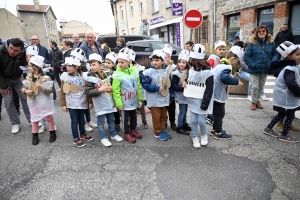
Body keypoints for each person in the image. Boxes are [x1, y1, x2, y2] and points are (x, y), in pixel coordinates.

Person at [263, 41, 300, 143]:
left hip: (284, 98)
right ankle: (284, 135)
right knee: (290, 115)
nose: (299, 56)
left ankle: (268, 128)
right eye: (297, 54)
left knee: (281, 114)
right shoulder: (290, 69)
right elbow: (291, 84)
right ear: (288, 55)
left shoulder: (289, 67)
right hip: (286, 99)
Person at [85, 53, 123, 147]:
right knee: (101, 122)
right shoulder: (89, 77)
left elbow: (113, 84)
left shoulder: (107, 73)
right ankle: (103, 137)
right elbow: (87, 92)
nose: (91, 67)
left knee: (111, 119)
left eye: (94, 64)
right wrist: (99, 90)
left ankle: (113, 134)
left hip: (109, 101)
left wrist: (111, 88)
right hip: (100, 104)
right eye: (90, 65)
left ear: (100, 65)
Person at [183, 44, 214, 148]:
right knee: (193, 120)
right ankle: (195, 137)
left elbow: (209, 90)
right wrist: (184, 83)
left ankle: (204, 135)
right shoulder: (191, 69)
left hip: (202, 101)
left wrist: (204, 104)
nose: (192, 62)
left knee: (201, 121)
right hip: (192, 100)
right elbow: (189, 82)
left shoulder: (208, 72)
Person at [21, 55, 56, 145]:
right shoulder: (28, 77)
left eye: (30, 66)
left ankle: (52, 133)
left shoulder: (45, 78)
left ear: (37, 67)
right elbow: (23, 88)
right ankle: (34, 135)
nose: (28, 68)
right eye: (28, 66)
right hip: (33, 102)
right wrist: (26, 91)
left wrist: (41, 87)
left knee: (48, 116)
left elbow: (51, 90)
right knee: (34, 118)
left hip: (44, 102)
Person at [60, 56, 94, 148]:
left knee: (82, 120)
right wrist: (63, 104)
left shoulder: (83, 76)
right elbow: (62, 92)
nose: (67, 67)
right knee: (74, 121)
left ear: (76, 67)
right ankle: (76, 138)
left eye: (70, 66)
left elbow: (87, 90)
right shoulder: (65, 77)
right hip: (71, 104)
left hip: (82, 102)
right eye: (67, 65)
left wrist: (89, 102)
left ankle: (82, 134)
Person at [210, 48, 243, 140]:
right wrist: (236, 81)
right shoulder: (227, 67)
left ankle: (214, 130)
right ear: (232, 58)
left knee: (216, 114)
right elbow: (224, 78)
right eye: (236, 60)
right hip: (219, 94)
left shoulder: (220, 64)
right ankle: (219, 132)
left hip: (214, 93)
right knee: (220, 114)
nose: (236, 62)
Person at [0, 38, 31, 134]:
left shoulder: (23, 54)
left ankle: (32, 119)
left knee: (25, 97)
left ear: (21, 50)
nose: (12, 52)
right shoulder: (1, 51)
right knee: (8, 101)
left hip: (17, 78)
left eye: (16, 50)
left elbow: (27, 66)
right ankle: (15, 123)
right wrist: (4, 86)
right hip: (3, 79)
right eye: (11, 48)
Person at [112, 47, 143, 144]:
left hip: (133, 100)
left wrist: (140, 98)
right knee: (125, 119)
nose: (119, 64)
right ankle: (126, 132)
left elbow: (138, 85)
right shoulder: (117, 75)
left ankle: (133, 129)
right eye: (118, 62)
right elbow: (115, 90)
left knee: (133, 117)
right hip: (124, 102)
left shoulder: (135, 71)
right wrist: (119, 104)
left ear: (129, 61)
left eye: (122, 62)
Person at [244, 25, 278, 110]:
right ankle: (253, 102)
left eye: (263, 31)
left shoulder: (271, 43)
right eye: (259, 31)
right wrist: (253, 64)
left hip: (265, 69)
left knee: (261, 86)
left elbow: (276, 54)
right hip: (254, 69)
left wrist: (272, 62)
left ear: (266, 32)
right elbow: (246, 56)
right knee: (255, 86)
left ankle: (257, 101)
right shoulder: (252, 43)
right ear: (257, 33)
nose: (261, 32)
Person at [142, 50, 172, 141]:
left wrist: (170, 95)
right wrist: (156, 88)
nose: (154, 62)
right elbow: (145, 85)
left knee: (164, 116)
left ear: (163, 61)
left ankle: (162, 130)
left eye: (157, 60)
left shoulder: (166, 71)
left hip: (164, 98)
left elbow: (168, 84)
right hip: (154, 99)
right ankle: (157, 132)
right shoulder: (148, 72)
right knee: (156, 117)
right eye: (153, 60)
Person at [69, 47, 98, 132]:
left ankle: (89, 121)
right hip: (76, 94)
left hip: (84, 91)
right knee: (81, 109)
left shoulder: (84, 69)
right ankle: (85, 124)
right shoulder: (70, 70)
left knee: (87, 107)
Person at [206, 40, 226, 126]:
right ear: (215, 50)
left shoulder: (222, 59)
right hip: (212, 82)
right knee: (212, 100)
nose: (222, 51)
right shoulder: (213, 57)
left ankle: (212, 116)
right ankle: (209, 116)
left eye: (223, 49)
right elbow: (208, 65)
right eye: (220, 49)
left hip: (218, 83)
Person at [171, 50, 191, 135]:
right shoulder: (176, 73)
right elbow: (174, 85)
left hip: (187, 95)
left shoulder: (190, 72)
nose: (181, 64)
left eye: (183, 62)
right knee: (182, 111)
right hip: (181, 95)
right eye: (179, 62)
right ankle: (180, 126)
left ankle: (184, 123)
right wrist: (182, 87)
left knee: (185, 110)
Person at [129, 49, 149, 129]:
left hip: (139, 91)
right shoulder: (123, 68)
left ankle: (144, 121)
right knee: (133, 109)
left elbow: (142, 78)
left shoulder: (139, 67)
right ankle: (134, 123)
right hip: (130, 92)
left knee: (141, 107)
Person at [162, 44, 177, 131]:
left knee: (171, 109)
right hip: (162, 92)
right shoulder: (159, 66)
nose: (165, 58)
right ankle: (164, 122)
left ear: (170, 57)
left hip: (170, 92)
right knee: (163, 109)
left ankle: (172, 122)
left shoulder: (173, 67)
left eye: (166, 56)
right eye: (163, 56)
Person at [104, 52, 121, 131]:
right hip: (107, 95)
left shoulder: (116, 73)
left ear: (114, 64)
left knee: (116, 111)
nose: (106, 64)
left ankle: (117, 123)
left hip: (115, 94)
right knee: (108, 110)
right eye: (106, 62)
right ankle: (110, 123)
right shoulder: (102, 73)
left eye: (109, 63)